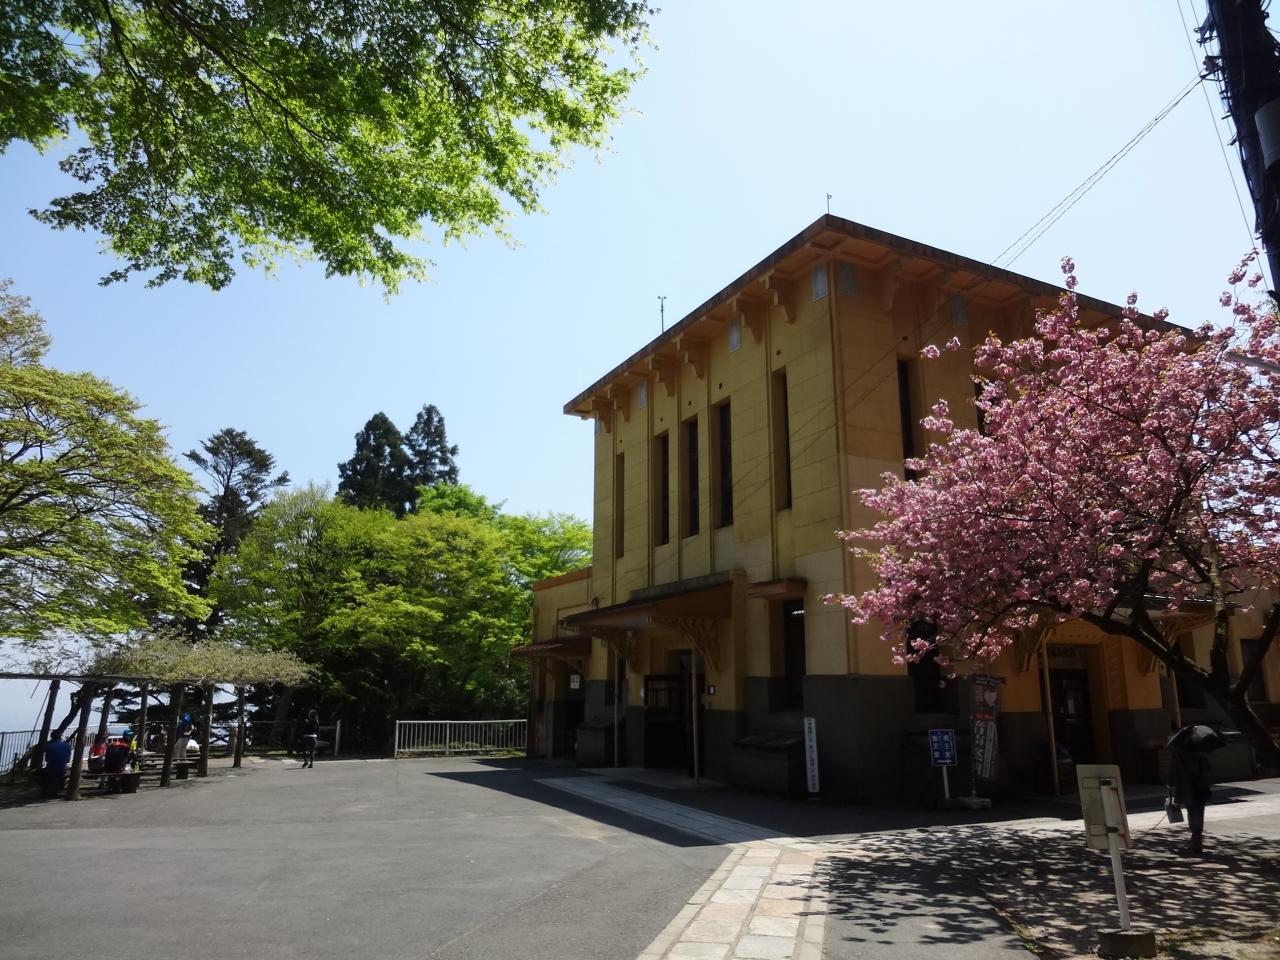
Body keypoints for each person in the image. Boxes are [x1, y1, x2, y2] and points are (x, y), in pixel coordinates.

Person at [1169, 735, 1213, 855]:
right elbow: (1207, 772)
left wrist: (1170, 785)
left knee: (1191, 811)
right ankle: (1197, 836)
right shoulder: (1201, 755)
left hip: (1186, 789)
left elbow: (1173, 771)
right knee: (1199, 812)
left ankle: (1194, 834)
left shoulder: (1178, 755)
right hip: (1199, 788)